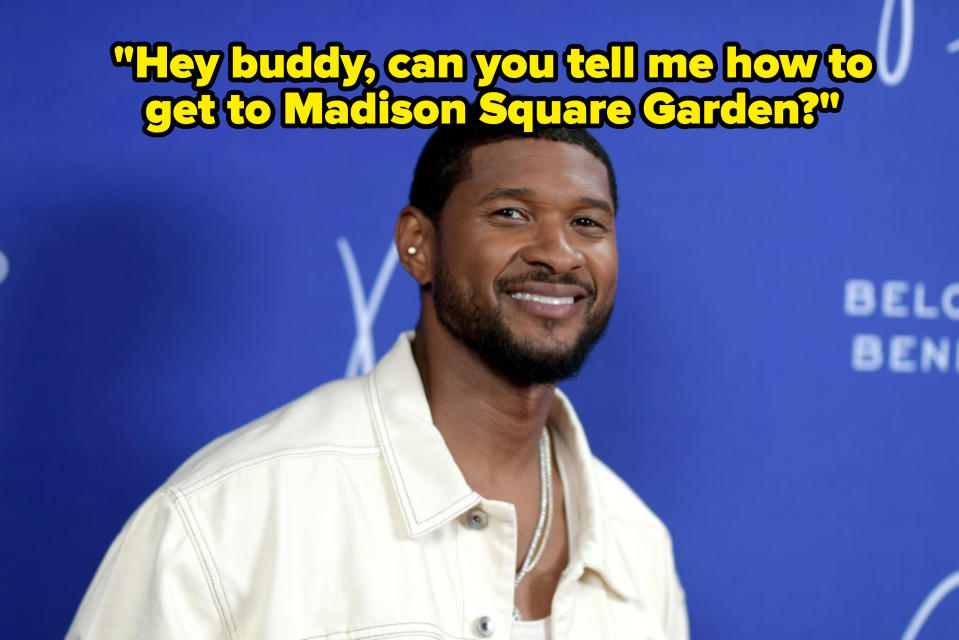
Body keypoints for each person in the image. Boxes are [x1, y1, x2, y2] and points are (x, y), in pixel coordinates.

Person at [68, 120, 689, 640]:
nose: (558, 253)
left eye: (588, 223)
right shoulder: (226, 514)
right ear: (418, 244)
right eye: (510, 213)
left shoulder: (638, 544)